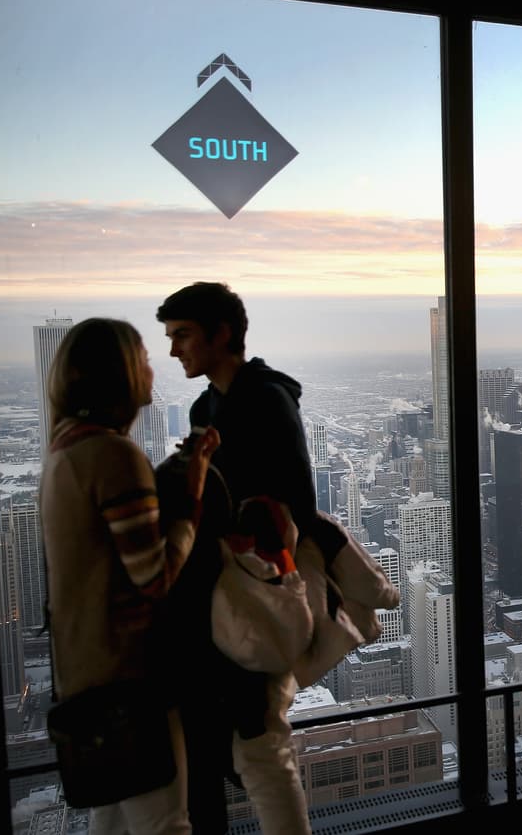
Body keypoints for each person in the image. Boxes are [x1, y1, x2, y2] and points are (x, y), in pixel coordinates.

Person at [40, 318, 220, 834]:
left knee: (113, 825)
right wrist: (192, 493)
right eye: (142, 356)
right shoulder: (113, 455)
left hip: (84, 679)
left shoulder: (64, 450)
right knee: (166, 824)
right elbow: (157, 578)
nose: (153, 365)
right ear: (118, 371)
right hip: (128, 682)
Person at [157, 282, 315, 835]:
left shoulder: (268, 400)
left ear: (222, 335)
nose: (174, 349)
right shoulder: (207, 406)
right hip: (213, 600)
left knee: (260, 746)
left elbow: (298, 506)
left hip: (255, 591)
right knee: (218, 750)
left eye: (183, 335)